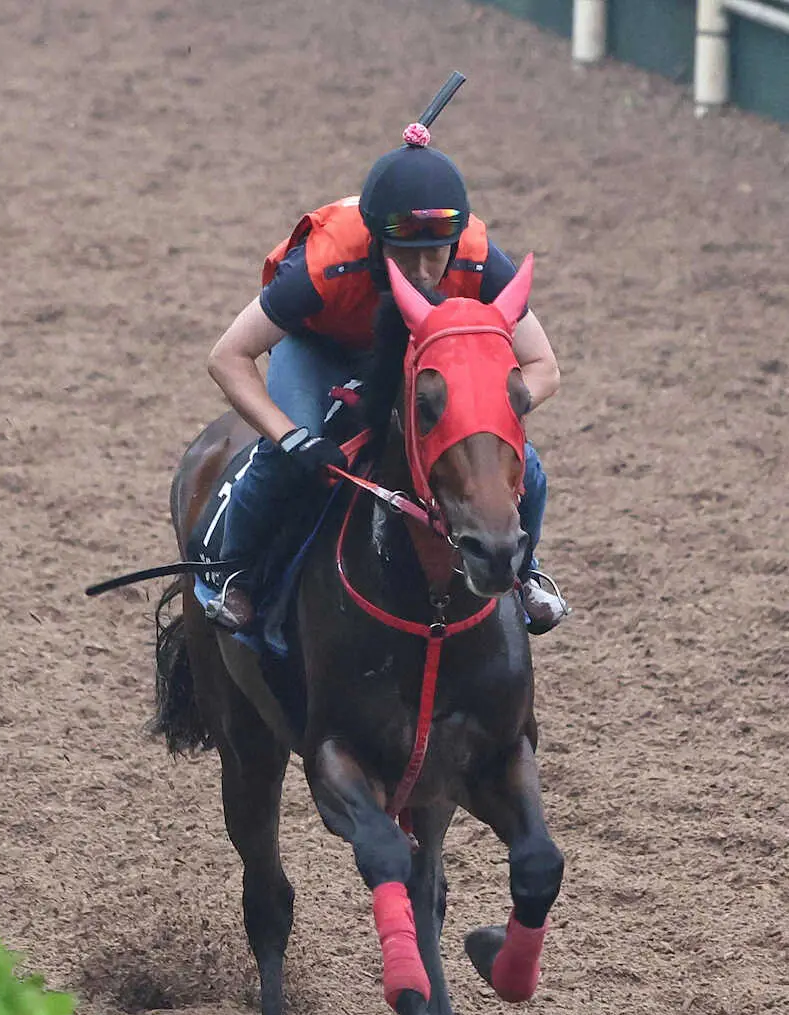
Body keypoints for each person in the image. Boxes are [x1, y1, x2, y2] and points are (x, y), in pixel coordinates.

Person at [205, 123, 569, 634]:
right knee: (281, 460)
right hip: (322, 350)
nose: (422, 270)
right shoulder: (320, 266)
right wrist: (292, 437)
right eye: (405, 252)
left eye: (436, 251)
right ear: (375, 241)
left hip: (419, 359)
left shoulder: (481, 258)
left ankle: (523, 575)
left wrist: (486, 412)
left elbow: (544, 367)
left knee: (521, 465)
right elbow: (228, 356)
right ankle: (233, 576)